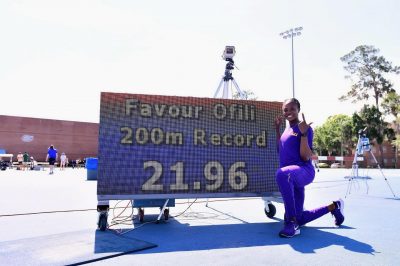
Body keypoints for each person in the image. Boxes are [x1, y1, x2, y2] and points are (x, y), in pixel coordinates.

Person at [274, 98, 345, 238]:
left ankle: (291, 222)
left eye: (292, 109)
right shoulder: (286, 130)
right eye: (285, 110)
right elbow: (280, 149)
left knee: (281, 174)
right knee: (300, 217)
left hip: (303, 171)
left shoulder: (304, 128)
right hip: (291, 177)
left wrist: (304, 134)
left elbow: (306, 156)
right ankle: (334, 207)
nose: (288, 112)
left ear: (298, 110)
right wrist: (277, 129)